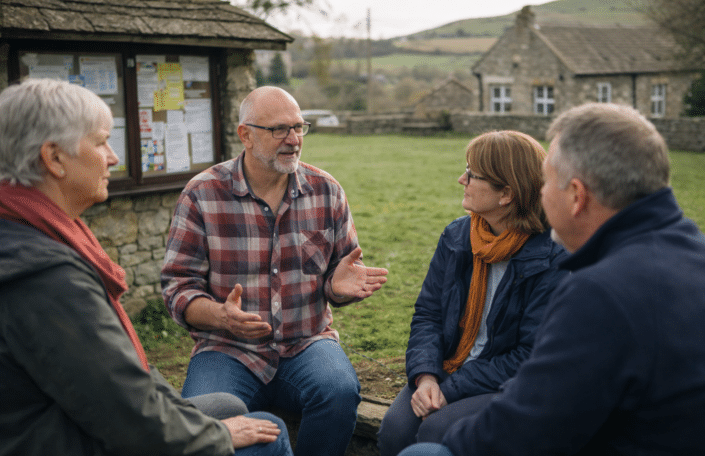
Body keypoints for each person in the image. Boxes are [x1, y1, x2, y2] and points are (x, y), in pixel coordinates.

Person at [0, 78, 293, 456]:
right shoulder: (45, 276)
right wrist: (218, 437)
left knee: (229, 407)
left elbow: (114, 379)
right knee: (270, 433)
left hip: (52, 425)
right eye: (100, 141)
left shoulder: (22, 231)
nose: (112, 157)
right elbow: (127, 418)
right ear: (54, 158)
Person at [399, 103, 705, 456]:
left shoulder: (600, 291)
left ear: (576, 196)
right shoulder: (688, 252)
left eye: (546, 181)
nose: (539, 194)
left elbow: (529, 422)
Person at [161, 86, 389, 456]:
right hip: (227, 348)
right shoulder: (202, 194)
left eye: (299, 127)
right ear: (245, 135)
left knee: (339, 391)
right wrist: (220, 315)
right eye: (279, 129)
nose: (294, 139)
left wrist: (338, 288)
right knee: (202, 419)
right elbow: (177, 287)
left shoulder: (326, 191)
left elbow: (342, 271)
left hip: (307, 341)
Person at [377, 130, 567, 455]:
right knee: (395, 430)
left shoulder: (551, 256)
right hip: (448, 368)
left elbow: (530, 354)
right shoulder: (457, 236)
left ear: (506, 193)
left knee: (437, 431)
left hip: (509, 380)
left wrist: (449, 390)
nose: (461, 179)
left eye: (471, 174)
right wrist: (425, 378)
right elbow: (428, 315)